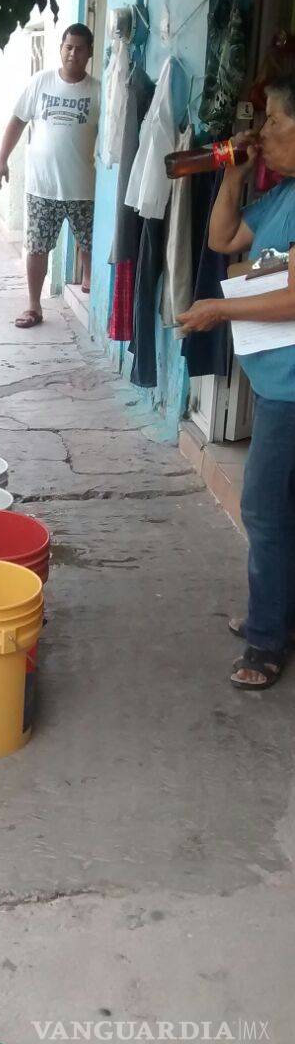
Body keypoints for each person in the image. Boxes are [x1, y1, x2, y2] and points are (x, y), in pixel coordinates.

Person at [178, 75, 295, 691]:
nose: (264, 132)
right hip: (276, 378)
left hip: (291, 390)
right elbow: (223, 240)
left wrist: (219, 309)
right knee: (281, 508)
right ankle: (275, 611)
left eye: (277, 121)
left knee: (264, 509)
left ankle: (267, 640)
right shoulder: (284, 198)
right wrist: (232, 170)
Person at [0, 23, 100, 326]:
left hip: (83, 187)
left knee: (91, 243)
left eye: (80, 48)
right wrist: (1, 160)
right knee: (37, 247)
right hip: (42, 186)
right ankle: (33, 306)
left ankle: (92, 292)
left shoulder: (98, 92)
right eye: (68, 47)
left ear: (89, 52)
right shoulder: (41, 82)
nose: (73, 53)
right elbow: (17, 121)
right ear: (61, 49)